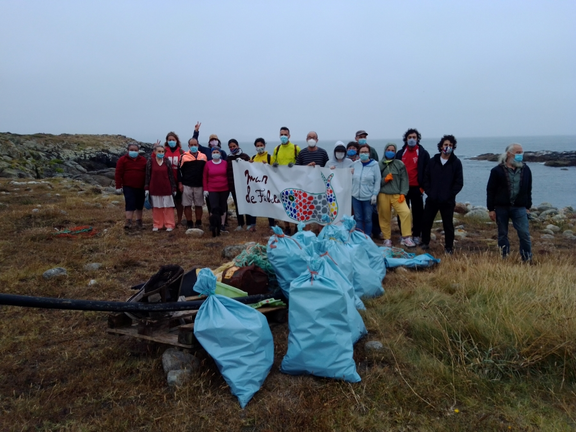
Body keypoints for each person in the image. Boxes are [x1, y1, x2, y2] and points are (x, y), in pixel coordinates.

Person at [487, 143, 532, 262]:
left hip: (520, 207)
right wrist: (491, 209)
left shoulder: (526, 169)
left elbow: (528, 189)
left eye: (521, 152)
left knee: (524, 234)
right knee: (502, 234)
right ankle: (504, 258)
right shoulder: (497, 171)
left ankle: (527, 259)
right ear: (509, 154)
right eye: (518, 153)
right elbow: (490, 190)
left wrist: (528, 206)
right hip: (501, 207)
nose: (520, 155)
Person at [421, 135, 464, 254]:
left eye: (450, 145)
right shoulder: (432, 161)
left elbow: (459, 182)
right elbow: (426, 178)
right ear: (441, 146)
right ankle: (425, 242)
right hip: (432, 199)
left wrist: (450, 195)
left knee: (448, 224)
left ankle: (448, 247)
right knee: (426, 221)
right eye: (446, 145)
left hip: (447, 201)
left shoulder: (456, 163)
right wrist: (429, 192)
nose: (448, 147)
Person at [395, 128, 430, 245]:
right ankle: (403, 235)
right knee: (402, 213)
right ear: (406, 139)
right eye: (410, 137)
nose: (412, 139)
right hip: (403, 189)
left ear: (417, 139)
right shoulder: (400, 153)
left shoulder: (423, 153)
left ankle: (416, 235)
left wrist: (423, 187)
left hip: (417, 188)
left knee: (418, 213)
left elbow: (427, 172)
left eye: (414, 137)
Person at [378, 143, 415, 248]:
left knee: (406, 212)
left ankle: (406, 237)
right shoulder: (379, 165)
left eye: (393, 150)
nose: (390, 152)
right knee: (384, 216)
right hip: (383, 194)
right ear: (385, 150)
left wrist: (403, 193)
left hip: (397, 195)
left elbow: (404, 179)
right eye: (388, 149)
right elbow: (375, 181)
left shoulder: (400, 164)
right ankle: (387, 238)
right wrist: (384, 180)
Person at [271, 126, 300, 235]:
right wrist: (273, 165)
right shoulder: (276, 149)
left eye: (285, 134)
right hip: (281, 181)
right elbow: (273, 163)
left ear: (289, 136)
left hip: (294, 181)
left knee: (296, 204)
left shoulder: (295, 148)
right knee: (285, 205)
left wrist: (295, 165)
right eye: (281, 134)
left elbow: (301, 164)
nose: (283, 136)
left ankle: (297, 226)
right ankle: (287, 227)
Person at [145, 144, 177, 232]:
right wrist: (146, 188)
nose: (161, 153)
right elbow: (147, 175)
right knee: (156, 207)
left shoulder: (167, 161)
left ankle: (169, 224)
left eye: (162, 151)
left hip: (166, 188)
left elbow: (171, 175)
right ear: (155, 152)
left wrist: (174, 188)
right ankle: (157, 224)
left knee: (168, 207)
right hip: (154, 188)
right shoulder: (150, 161)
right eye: (159, 151)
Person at [115, 142, 147, 230]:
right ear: (127, 150)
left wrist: (147, 187)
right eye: (132, 150)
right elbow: (118, 173)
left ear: (138, 151)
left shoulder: (143, 160)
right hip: (128, 186)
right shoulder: (122, 160)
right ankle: (128, 221)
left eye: (136, 150)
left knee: (139, 205)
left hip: (141, 186)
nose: (134, 151)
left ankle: (139, 221)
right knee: (130, 203)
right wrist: (118, 187)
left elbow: (147, 173)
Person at [351, 144, 381, 235]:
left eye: (365, 152)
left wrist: (375, 194)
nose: (363, 153)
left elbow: (377, 180)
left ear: (369, 153)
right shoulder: (355, 164)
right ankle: (360, 237)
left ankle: (367, 237)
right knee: (358, 218)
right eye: (361, 152)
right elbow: (344, 174)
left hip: (368, 198)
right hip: (355, 196)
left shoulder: (375, 165)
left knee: (368, 219)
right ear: (358, 153)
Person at [178, 136, 207, 228]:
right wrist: (180, 183)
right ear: (188, 146)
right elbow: (179, 171)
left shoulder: (203, 156)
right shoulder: (183, 157)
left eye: (195, 144)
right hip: (187, 184)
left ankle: (198, 222)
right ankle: (189, 223)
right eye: (192, 145)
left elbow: (206, 171)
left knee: (199, 205)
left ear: (198, 145)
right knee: (187, 205)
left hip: (199, 184)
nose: (193, 146)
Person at [227, 138, 254, 231]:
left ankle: (249, 223)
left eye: (234, 146)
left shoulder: (245, 156)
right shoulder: (228, 158)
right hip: (233, 186)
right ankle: (240, 224)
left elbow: (252, 169)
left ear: (238, 146)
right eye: (230, 147)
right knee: (238, 205)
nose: (232, 148)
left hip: (245, 186)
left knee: (247, 204)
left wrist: (250, 163)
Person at [250, 138, 276, 230]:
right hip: (256, 185)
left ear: (264, 145)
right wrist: (249, 164)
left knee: (269, 205)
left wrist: (268, 166)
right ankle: (252, 224)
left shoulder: (270, 157)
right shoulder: (253, 158)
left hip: (267, 185)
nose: (259, 147)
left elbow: (275, 170)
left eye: (261, 145)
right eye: (257, 146)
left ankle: (271, 225)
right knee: (254, 204)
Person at [203, 147, 229, 235]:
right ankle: (212, 224)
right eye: (214, 152)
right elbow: (204, 177)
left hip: (224, 188)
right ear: (211, 153)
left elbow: (229, 175)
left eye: (217, 152)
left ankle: (222, 224)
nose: (215, 153)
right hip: (212, 189)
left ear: (220, 153)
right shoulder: (208, 164)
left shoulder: (225, 163)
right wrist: (205, 189)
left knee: (223, 207)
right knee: (213, 207)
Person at [163, 131, 186, 227]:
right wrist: (154, 149)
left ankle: (179, 221)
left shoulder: (181, 152)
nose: (171, 141)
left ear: (177, 140)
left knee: (179, 202)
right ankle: (169, 221)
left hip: (178, 180)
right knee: (167, 202)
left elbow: (185, 167)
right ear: (167, 141)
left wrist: (182, 182)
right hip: (166, 180)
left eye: (173, 140)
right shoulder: (163, 151)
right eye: (169, 140)